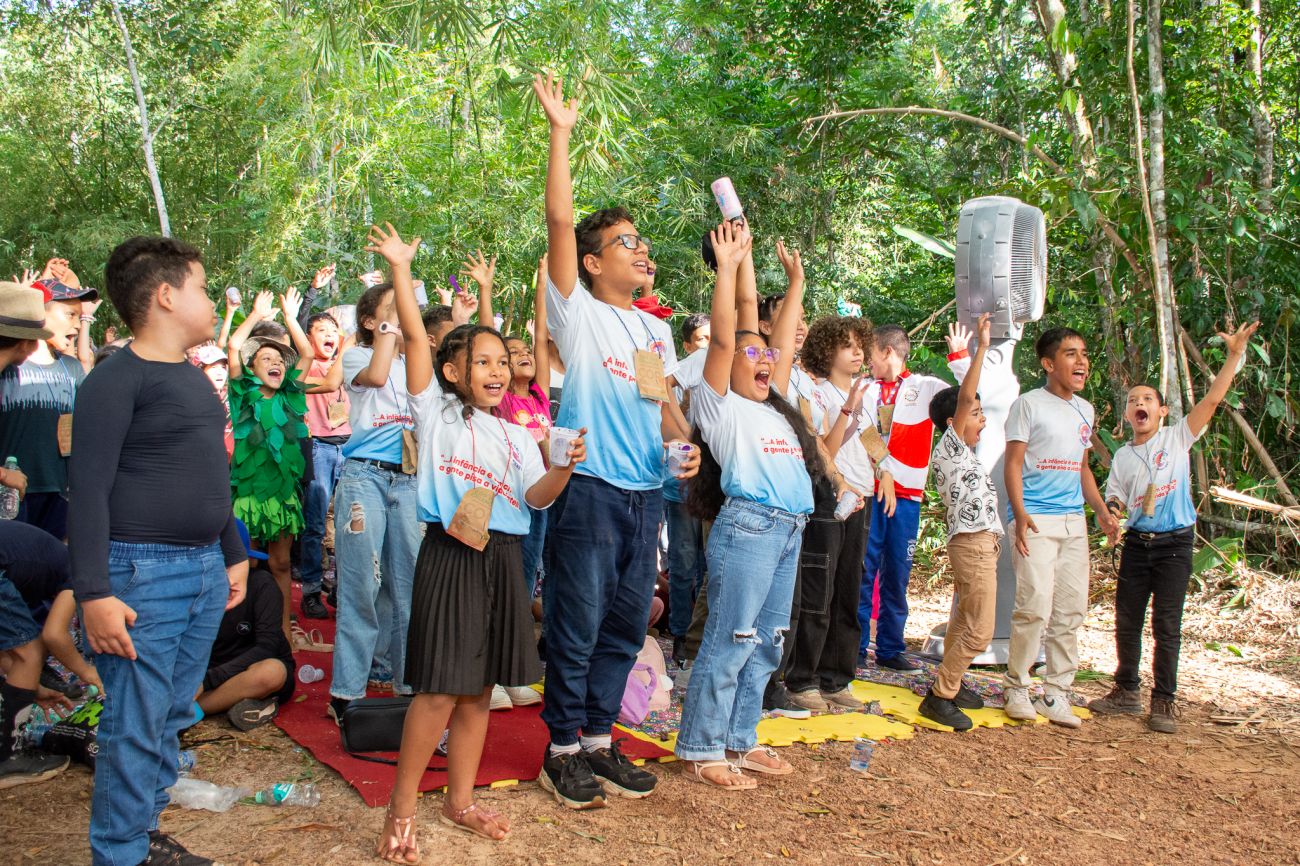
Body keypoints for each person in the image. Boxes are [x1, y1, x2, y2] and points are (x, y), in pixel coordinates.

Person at [369, 224, 585, 857]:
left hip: (504, 559)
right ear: (452, 371)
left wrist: (562, 466)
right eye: (483, 362)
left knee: (478, 690)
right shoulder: (434, 412)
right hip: (451, 555)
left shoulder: (517, 435)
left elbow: (535, 498)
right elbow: (415, 336)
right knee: (439, 688)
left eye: (501, 362)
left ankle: (460, 800)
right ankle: (401, 809)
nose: (496, 371)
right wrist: (401, 270)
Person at [533, 73, 699, 810]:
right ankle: (561, 750)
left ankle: (599, 740)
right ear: (594, 262)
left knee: (628, 624)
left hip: (643, 497)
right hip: (591, 490)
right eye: (626, 241)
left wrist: (682, 447)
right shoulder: (579, 313)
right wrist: (561, 132)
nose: (642, 249)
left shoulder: (654, 331)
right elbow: (559, 221)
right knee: (577, 623)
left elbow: (659, 407)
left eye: (643, 241)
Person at [68, 235, 249, 866]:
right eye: (202, 287)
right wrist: (94, 592)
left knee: (170, 712)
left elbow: (210, 475)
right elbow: (87, 489)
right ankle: (120, 852)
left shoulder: (192, 377)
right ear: (167, 295)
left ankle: (142, 833)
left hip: (200, 569)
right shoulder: (115, 379)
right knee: (136, 721)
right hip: (141, 573)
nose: (211, 299)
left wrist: (231, 550)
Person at [675, 221, 823, 788]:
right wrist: (729, 267)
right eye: (750, 353)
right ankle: (702, 746)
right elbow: (722, 339)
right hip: (749, 528)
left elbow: (776, 343)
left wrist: (797, 284)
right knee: (732, 638)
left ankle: (741, 739)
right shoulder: (720, 406)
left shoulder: (772, 404)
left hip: (789, 529)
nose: (764, 359)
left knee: (766, 642)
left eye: (766, 354)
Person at [1089, 321, 1259, 733]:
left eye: (1148, 398)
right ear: (1127, 414)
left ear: (1161, 411)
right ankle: (1126, 690)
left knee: (1166, 624)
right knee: (1127, 619)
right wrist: (1110, 515)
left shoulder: (1177, 438)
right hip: (1137, 546)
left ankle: (1163, 701)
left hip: (1175, 546)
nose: (1140, 403)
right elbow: (1115, 498)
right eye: (1133, 400)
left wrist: (1235, 355)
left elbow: (1214, 400)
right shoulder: (1123, 457)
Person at [1002, 327, 1120, 728]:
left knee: (1071, 610)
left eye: (1083, 353)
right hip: (1035, 517)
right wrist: (1019, 514)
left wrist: (1101, 511)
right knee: (1033, 606)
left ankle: (1056, 693)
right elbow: (1012, 463)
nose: (1081, 361)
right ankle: (1017, 687)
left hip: (1073, 522)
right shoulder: (1028, 405)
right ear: (1048, 364)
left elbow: (1082, 467)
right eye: (1071, 354)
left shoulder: (1085, 409)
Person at [328, 277, 421, 722]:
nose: (405, 308)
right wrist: (390, 329)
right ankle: (346, 692)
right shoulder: (358, 356)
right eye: (394, 304)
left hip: (408, 480)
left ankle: (406, 686)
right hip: (365, 477)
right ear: (369, 321)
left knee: (407, 587)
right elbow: (378, 376)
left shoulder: (414, 362)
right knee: (362, 583)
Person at [790, 315, 880, 713]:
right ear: (826, 351)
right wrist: (847, 410)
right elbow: (823, 448)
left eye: (860, 345)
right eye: (847, 346)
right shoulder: (818, 392)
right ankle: (802, 679)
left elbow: (872, 439)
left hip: (863, 498)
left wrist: (886, 472)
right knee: (818, 592)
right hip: (829, 498)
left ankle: (836, 679)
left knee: (848, 590)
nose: (857, 352)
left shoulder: (867, 394)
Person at [857, 324, 959, 674]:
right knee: (863, 572)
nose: (866, 361)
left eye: (869, 352)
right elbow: (863, 432)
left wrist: (960, 358)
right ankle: (855, 646)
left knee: (897, 574)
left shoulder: (925, 387)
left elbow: (968, 400)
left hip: (907, 497)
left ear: (887, 351)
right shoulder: (865, 389)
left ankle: (890, 648)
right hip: (869, 492)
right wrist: (883, 470)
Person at [917, 314, 1000, 730]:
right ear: (954, 422)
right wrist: (980, 348)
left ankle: (954, 681)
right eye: (976, 413)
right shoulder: (950, 446)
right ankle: (940, 696)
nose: (981, 419)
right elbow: (965, 396)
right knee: (980, 631)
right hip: (973, 544)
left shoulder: (964, 453)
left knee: (964, 621)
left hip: (978, 543)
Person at [227, 289, 313, 642]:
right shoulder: (241, 395)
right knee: (246, 564)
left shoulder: (291, 396)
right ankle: (242, 634)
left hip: (282, 496)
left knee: (280, 563)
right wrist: (254, 315)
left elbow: (307, 353)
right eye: (266, 358)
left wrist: (291, 317)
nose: (275, 362)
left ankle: (282, 634)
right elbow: (234, 346)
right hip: (247, 495)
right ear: (251, 368)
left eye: (279, 358)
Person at [0, 272, 99, 539]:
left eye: (80, 317)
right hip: (11, 494)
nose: (77, 325)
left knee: (52, 559)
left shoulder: (71, 369)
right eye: (70, 315)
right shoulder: (9, 368)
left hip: (59, 492)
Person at [199, 527, 296, 732]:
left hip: (248, 670)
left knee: (272, 672)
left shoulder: (262, 585)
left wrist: (208, 681)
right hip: (209, 669)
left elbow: (267, 647)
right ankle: (226, 702)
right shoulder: (197, 587)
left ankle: (193, 709)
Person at [0, 521, 73, 787]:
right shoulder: (82, 573)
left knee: (22, 650)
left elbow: (6, 648)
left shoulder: (39, 567)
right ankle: (9, 759)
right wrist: (88, 671)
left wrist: (31, 687)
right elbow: (54, 635)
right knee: (30, 652)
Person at [299, 309, 350, 620]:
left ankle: (341, 589)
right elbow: (330, 384)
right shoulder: (305, 367)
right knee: (315, 524)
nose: (329, 335)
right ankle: (310, 591)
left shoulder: (348, 363)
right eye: (321, 330)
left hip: (349, 448)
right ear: (308, 338)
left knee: (348, 525)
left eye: (333, 330)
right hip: (319, 447)